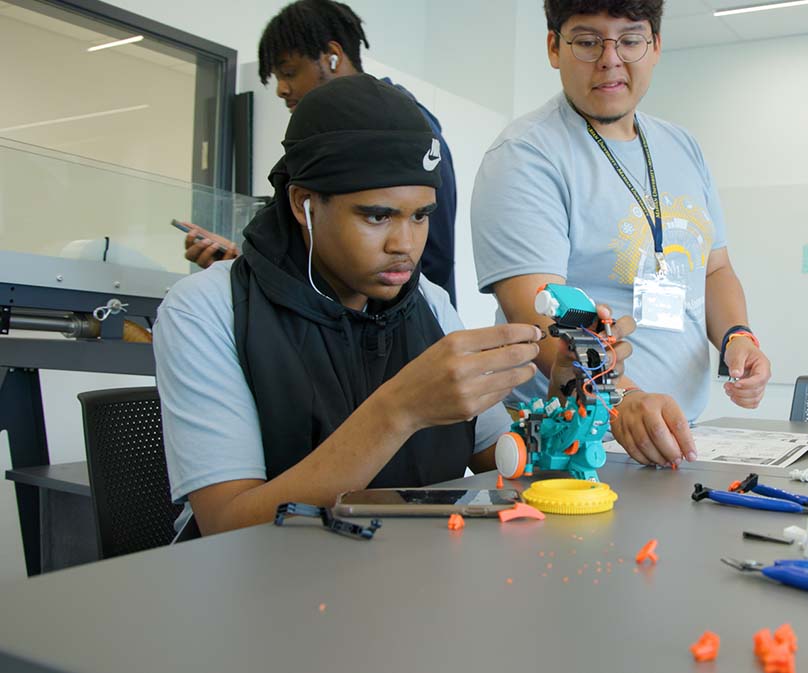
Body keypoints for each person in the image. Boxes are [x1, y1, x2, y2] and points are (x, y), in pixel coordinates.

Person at [156, 75, 557, 536]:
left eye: (421, 216)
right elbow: (227, 526)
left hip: (417, 580)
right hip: (270, 592)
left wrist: (566, 398)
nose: (405, 245)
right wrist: (399, 410)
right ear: (304, 203)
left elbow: (501, 461)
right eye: (377, 215)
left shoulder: (429, 302)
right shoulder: (208, 309)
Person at [471, 0, 771, 468]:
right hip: (574, 437)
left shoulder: (682, 147)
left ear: (655, 47)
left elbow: (715, 268)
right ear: (554, 47)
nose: (611, 59)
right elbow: (539, 310)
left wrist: (738, 336)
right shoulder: (525, 156)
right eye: (588, 42)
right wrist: (622, 398)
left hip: (678, 435)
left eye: (630, 40)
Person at [184, 0, 460, 306]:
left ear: (332, 57)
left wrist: (419, 323)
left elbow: (435, 258)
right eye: (378, 215)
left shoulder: (409, 131)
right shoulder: (318, 143)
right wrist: (248, 266)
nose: (281, 89)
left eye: (289, 72)